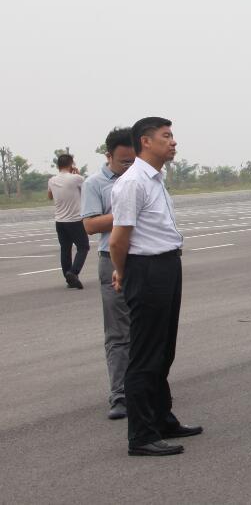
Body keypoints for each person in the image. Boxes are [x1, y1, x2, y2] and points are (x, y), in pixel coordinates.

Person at [109, 117, 203, 456]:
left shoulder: (155, 179)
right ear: (145, 142)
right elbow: (118, 239)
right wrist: (123, 272)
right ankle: (141, 435)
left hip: (166, 266)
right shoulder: (132, 182)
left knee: (164, 351)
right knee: (145, 355)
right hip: (146, 270)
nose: (173, 142)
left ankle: (162, 418)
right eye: (166, 136)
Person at [81, 127, 137, 420]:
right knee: (118, 332)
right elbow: (90, 225)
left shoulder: (145, 177)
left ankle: (147, 387)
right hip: (111, 259)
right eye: (123, 161)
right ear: (108, 156)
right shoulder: (95, 183)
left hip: (144, 258)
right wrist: (126, 212)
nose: (129, 167)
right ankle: (120, 395)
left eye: (133, 161)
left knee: (148, 328)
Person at [48, 153, 88, 289]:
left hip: (59, 221)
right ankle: (73, 272)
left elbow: (50, 196)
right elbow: (86, 192)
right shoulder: (76, 178)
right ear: (71, 164)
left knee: (65, 249)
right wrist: (78, 174)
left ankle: (68, 278)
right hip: (75, 220)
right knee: (83, 247)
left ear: (58, 166)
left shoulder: (52, 180)